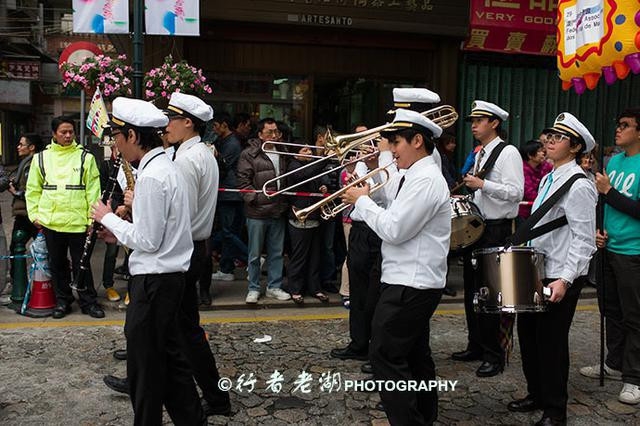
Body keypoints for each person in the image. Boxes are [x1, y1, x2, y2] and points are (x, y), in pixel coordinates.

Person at [91, 97, 205, 425]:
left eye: (117, 137)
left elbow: (149, 241)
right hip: (164, 280)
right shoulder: (161, 169)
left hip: (155, 284)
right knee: (170, 366)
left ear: (132, 136)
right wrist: (119, 232)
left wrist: (108, 217)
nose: (116, 145)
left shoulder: (154, 176)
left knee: (145, 373)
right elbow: (154, 233)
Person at [341, 109, 450, 425]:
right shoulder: (414, 175)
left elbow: (394, 230)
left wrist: (362, 201)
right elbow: (394, 212)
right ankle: (424, 416)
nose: (390, 149)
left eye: (395, 142)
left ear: (418, 141)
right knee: (415, 356)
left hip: (410, 283)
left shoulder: (426, 179)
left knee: (385, 357)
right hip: (407, 279)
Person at [508, 112, 597, 425]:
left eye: (558, 138)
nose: (549, 141)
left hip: (559, 272)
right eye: (549, 135)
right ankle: (537, 394)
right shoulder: (548, 177)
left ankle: (555, 410)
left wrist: (566, 280)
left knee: (552, 343)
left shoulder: (580, 186)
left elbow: (584, 240)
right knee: (529, 336)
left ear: (574, 148)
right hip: (536, 267)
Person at [451, 101, 524, 378]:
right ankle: (476, 345)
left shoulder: (508, 153)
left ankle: (494, 354)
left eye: (479, 120)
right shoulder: (481, 153)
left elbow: (516, 192)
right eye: (473, 121)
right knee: (472, 292)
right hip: (477, 227)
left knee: (492, 295)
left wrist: (483, 185)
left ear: (494, 123)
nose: (474, 125)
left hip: (497, 229)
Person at [580, 108, 640, 405]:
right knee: (611, 310)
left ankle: (634, 376)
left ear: (639, 132)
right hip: (608, 246)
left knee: (634, 316)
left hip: (634, 252)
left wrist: (611, 191)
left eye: (625, 126)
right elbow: (603, 202)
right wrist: (599, 230)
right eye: (618, 125)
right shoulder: (613, 161)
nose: (618, 130)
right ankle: (614, 362)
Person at [26, 116, 104, 319]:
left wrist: (92, 220)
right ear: (54, 134)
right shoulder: (40, 158)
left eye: (71, 132)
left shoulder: (85, 158)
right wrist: (34, 215)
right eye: (63, 132)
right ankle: (63, 301)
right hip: (51, 222)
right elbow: (32, 189)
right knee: (57, 264)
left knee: (83, 264)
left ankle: (89, 302)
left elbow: (93, 191)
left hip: (79, 223)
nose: (68, 135)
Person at [237, 118, 291, 304]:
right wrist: (256, 200)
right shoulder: (249, 154)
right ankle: (253, 288)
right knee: (254, 254)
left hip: (278, 209)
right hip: (257, 212)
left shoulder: (283, 151)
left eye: (276, 132)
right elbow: (243, 182)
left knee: (277, 252)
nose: (274, 135)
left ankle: (274, 286)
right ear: (260, 135)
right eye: (270, 132)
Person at [285, 141, 329, 305]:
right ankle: (295, 289)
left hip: (314, 217)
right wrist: (323, 159)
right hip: (300, 217)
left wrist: (324, 186)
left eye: (310, 149)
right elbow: (303, 175)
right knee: (299, 256)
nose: (309, 151)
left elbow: (316, 177)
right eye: (305, 149)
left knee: (315, 256)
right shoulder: (294, 166)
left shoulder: (312, 166)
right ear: (296, 154)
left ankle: (315, 287)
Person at [210, 112, 247, 285]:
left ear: (224, 125)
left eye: (216, 125)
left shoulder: (232, 144)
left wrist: (215, 156)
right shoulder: (222, 141)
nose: (214, 129)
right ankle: (226, 267)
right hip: (226, 192)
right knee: (228, 232)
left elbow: (223, 168)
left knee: (227, 232)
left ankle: (249, 256)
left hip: (230, 193)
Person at [7, 134, 43, 298]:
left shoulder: (32, 164)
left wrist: (16, 192)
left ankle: (18, 287)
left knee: (17, 248)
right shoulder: (27, 162)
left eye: (22, 144)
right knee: (40, 248)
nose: (18, 147)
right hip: (28, 213)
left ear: (32, 147)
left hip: (28, 213)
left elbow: (31, 190)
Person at [519, 139, 553, 219]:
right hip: (525, 212)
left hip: (541, 209)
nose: (543, 154)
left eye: (543, 151)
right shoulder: (522, 169)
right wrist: (544, 200)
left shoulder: (545, 166)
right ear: (530, 155)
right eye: (539, 151)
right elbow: (528, 192)